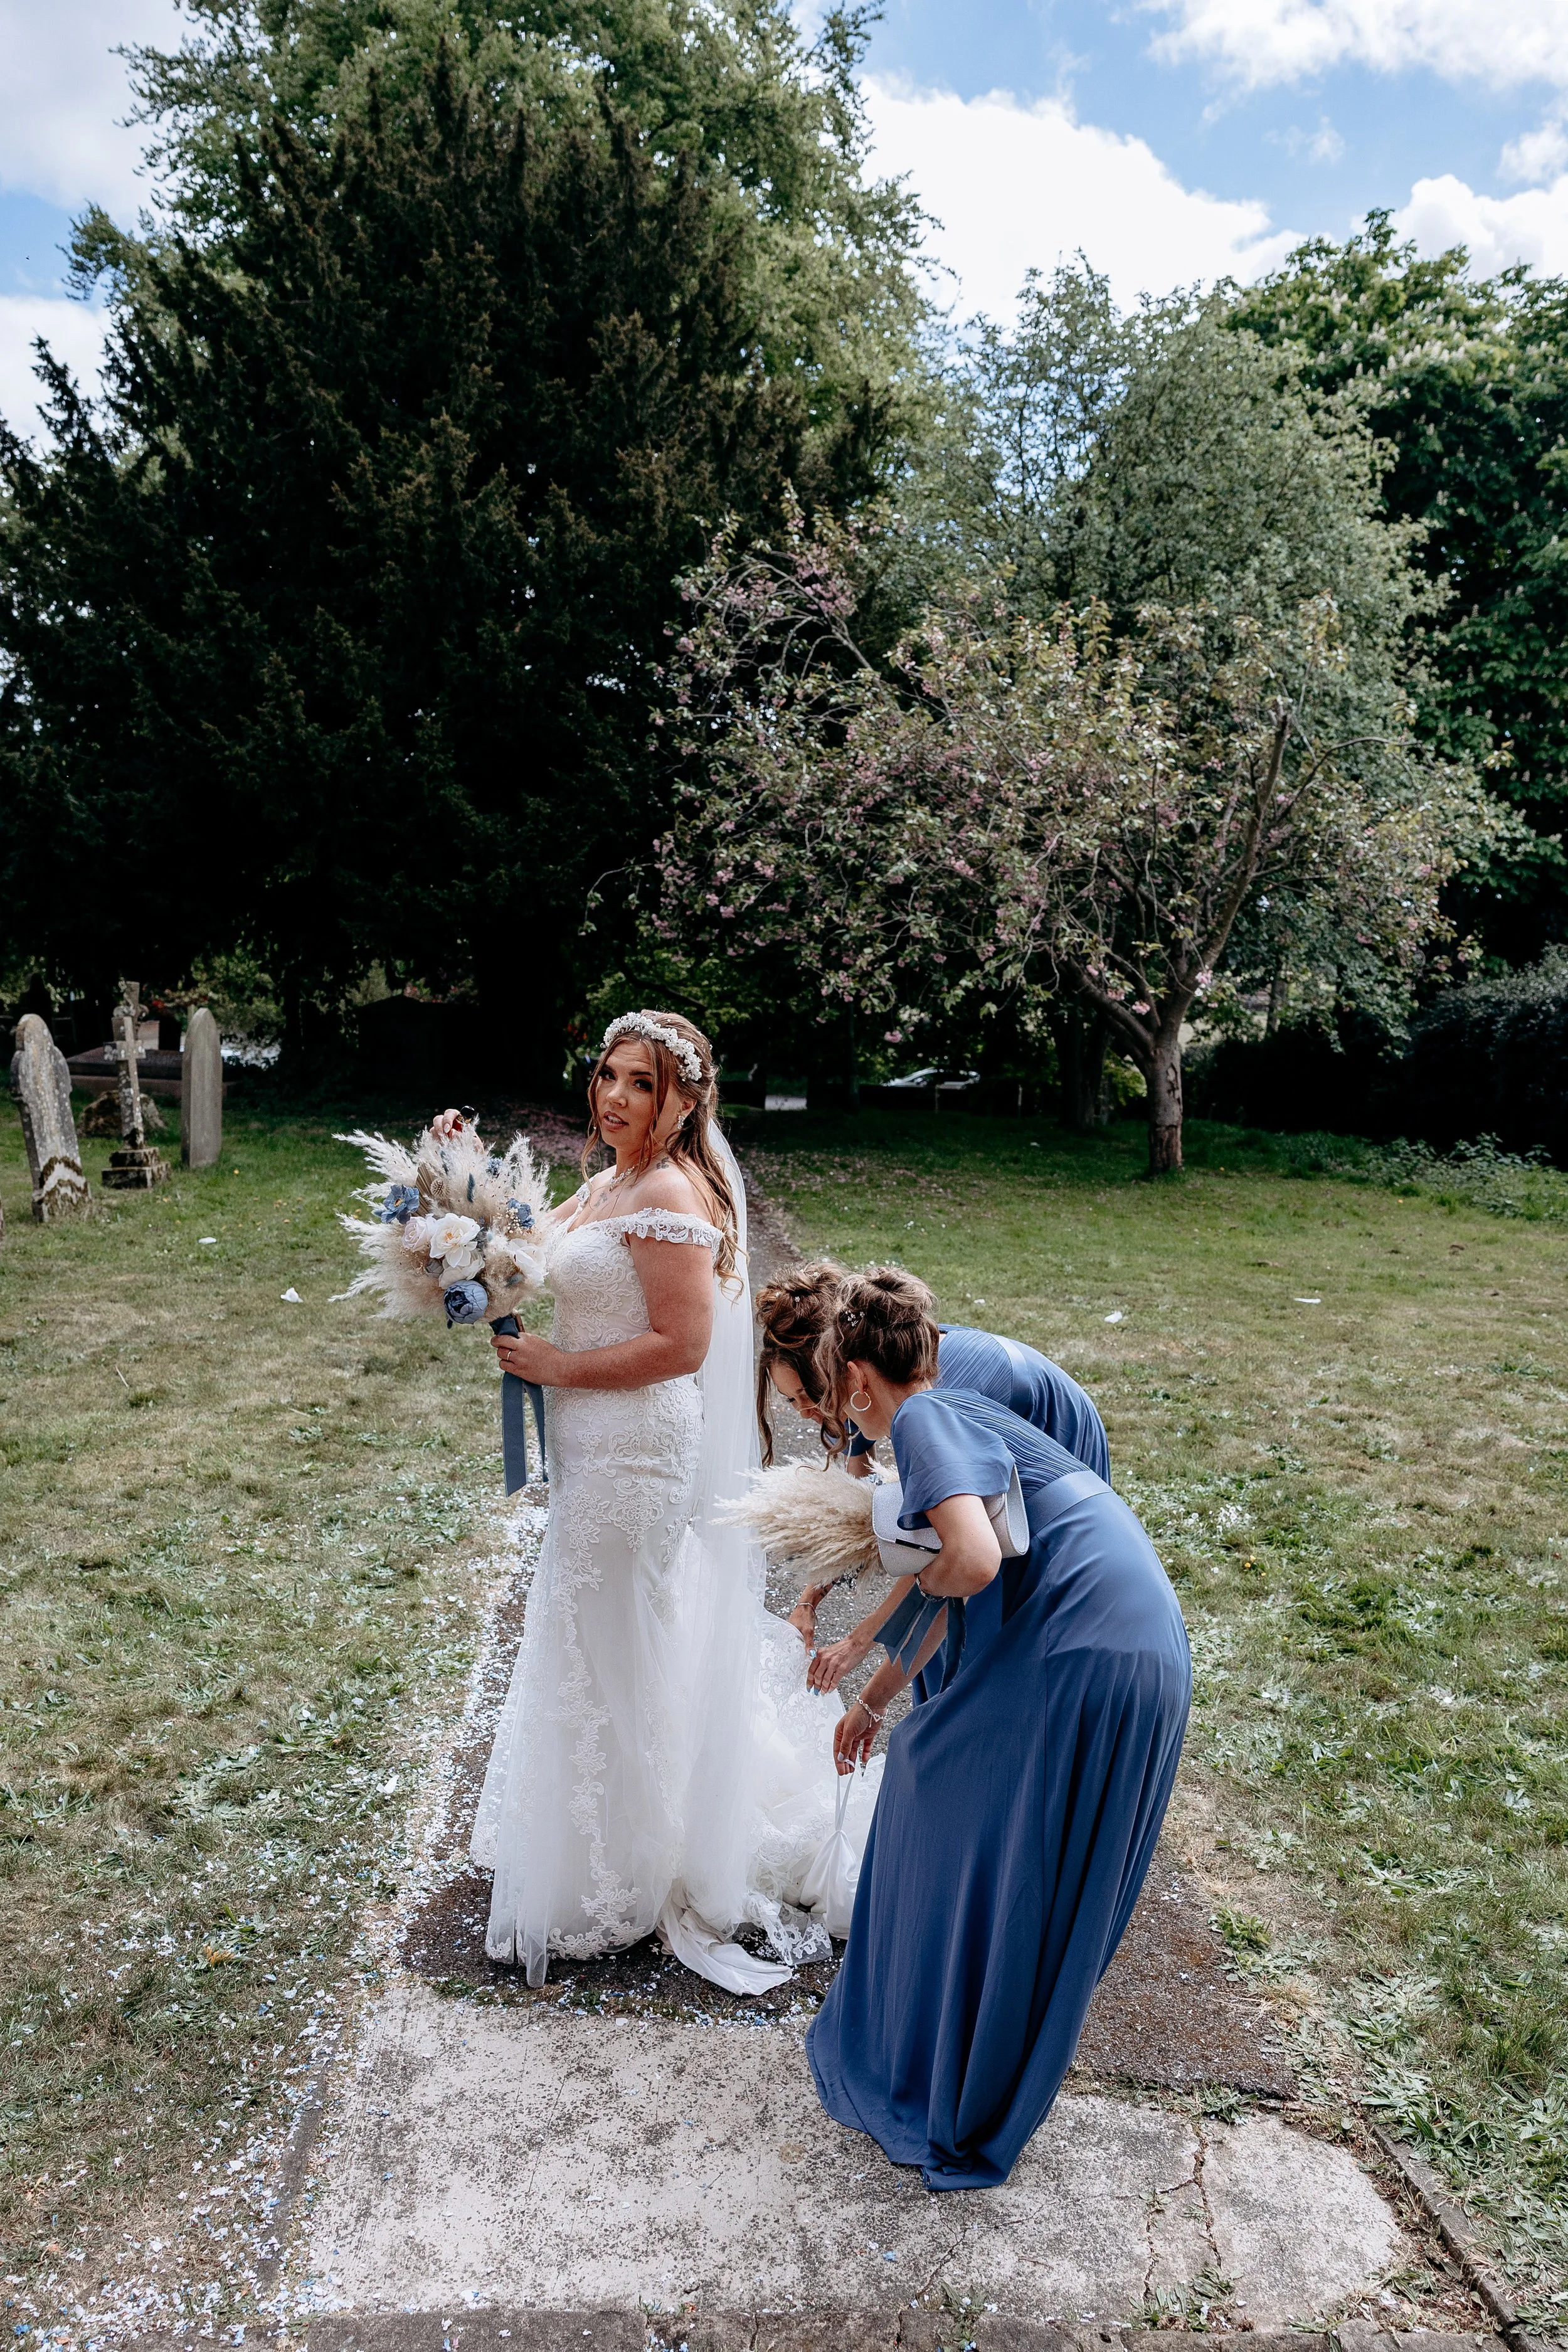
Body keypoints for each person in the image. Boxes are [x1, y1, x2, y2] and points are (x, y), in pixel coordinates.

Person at [457, 1012, 877, 1995]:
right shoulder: (606, 1177)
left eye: (641, 1084)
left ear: (684, 1100)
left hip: (636, 1445)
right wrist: (458, 1169)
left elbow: (683, 1346)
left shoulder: (672, 1190)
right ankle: (590, 1837)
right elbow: (524, 1242)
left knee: (611, 1637)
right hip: (590, 1438)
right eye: (608, 1075)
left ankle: (623, 1875)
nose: (614, 1097)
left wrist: (558, 1362)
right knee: (596, 1631)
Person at [803, 1269, 1191, 2191]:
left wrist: (901, 1608)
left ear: (860, 1376)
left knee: (934, 1792)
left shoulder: (926, 1421)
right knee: (988, 1827)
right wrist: (877, 1697)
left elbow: (968, 1564)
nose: (837, 1426)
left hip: (1079, 1642)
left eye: (830, 1398)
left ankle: (937, 2067)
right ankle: (957, 2063)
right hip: (1131, 1634)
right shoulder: (955, 1411)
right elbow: (960, 1576)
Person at [755, 1263, 1110, 1687]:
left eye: (807, 1396)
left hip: (1057, 1452)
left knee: (979, 1630)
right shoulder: (863, 1383)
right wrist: (808, 1602)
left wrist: (862, 1639)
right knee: (938, 1623)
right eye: (790, 1401)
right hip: (992, 1494)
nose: (806, 1413)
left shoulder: (926, 1404)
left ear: (842, 1369)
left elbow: (946, 1546)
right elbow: (862, 1510)